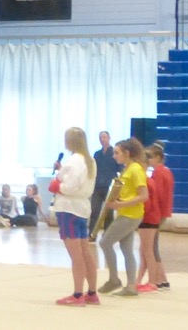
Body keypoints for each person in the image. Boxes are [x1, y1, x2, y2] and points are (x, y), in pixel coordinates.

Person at [54, 127, 100, 306]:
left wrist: (58, 186)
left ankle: (77, 294)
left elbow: (70, 186)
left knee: (76, 255)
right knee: (84, 251)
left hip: (69, 208)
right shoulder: (91, 160)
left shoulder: (74, 161)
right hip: (82, 208)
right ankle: (92, 292)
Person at [98, 139, 148, 297]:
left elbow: (143, 196)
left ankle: (114, 279)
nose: (114, 156)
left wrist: (121, 204)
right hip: (127, 213)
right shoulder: (127, 169)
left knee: (105, 242)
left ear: (127, 154)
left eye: (117, 153)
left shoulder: (135, 170)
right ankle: (131, 286)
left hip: (130, 214)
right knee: (126, 249)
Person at [138, 143, 173, 292]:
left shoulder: (158, 173)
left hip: (157, 213)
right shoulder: (167, 171)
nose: (149, 161)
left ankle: (159, 279)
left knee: (151, 248)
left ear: (158, 158)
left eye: (151, 157)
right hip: (163, 212)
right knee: (153, 247)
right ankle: (162, 278)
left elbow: (157, 195)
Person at [89, 131, 118, 232]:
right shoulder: (97, 154)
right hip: (98, 186)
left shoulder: (115, 153)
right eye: (100, 137)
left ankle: (107, 234)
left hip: (110, 186)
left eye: (104, 137)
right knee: (94, 210)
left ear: (109, 138)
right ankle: (91, 233)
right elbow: (93, 169)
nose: (102, 139)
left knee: (109, 212)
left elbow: (120, 168)